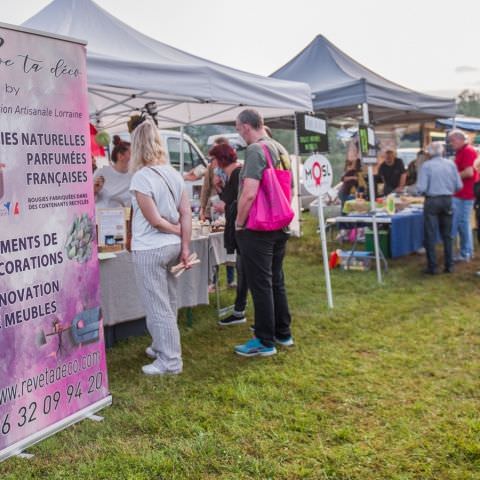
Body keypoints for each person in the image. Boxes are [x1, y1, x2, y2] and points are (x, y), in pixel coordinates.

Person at [129, 120, 192, 375]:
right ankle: (160, 346)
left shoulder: (141, 177)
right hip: (173, 247)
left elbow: (154, 221)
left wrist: (178, 231)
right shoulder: (173, 173)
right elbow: (186, 213)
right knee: (169, 301)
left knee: (157, 305)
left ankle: (170, 361)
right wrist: (185, 244)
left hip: (150, 249)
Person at [234, 109, 293, 357]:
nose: (240, 135)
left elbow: (249, 192)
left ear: (246, 127)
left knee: (261, 284)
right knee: (276, 280)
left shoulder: (256, 150)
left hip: (258, 226)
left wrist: (238, 222)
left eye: (238, 129)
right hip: (280, 222)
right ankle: (283, 332)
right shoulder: (280, 147)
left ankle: (264, 340)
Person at [208, 142, 249, 326]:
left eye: (213, 159)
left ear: (220, 159)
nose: (212, 163)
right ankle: (239, 309)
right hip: (243, 229)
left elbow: (226, 204)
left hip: (245, 230)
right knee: (244, 271)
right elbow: (228, 199)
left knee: (247, 271)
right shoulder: (233, 175)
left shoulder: (238, 174)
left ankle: (240, 311)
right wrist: (218, 187)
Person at [416, 142, 462, 274]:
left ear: (429, 153)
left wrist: (416, 191)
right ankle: (449, 265)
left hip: (432, 200)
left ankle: (433, 267)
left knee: (430, 234)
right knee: (447, 235)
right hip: (448, 199)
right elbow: (459, 185)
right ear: (442, 151)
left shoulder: (426, 166)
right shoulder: (451, 164)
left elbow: (421, 188)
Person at [448, 129, 479, 262]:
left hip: (465, 193)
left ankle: (466, 252)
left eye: (453, 140)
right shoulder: (462, 151)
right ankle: (465, 252)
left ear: (461, 139)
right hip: (461, 193)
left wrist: (453, 178)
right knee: (462, 223)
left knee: (463, 223)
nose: (451, 143)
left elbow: (469, 172)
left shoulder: (468, 151)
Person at [93, 136, 132, 208]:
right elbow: (88, 198)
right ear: (120, 156)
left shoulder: (134, 176)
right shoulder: (102, 173)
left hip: (124, 217)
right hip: (102, 216)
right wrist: (94, 191)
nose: (135, 156)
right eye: (131, 153)